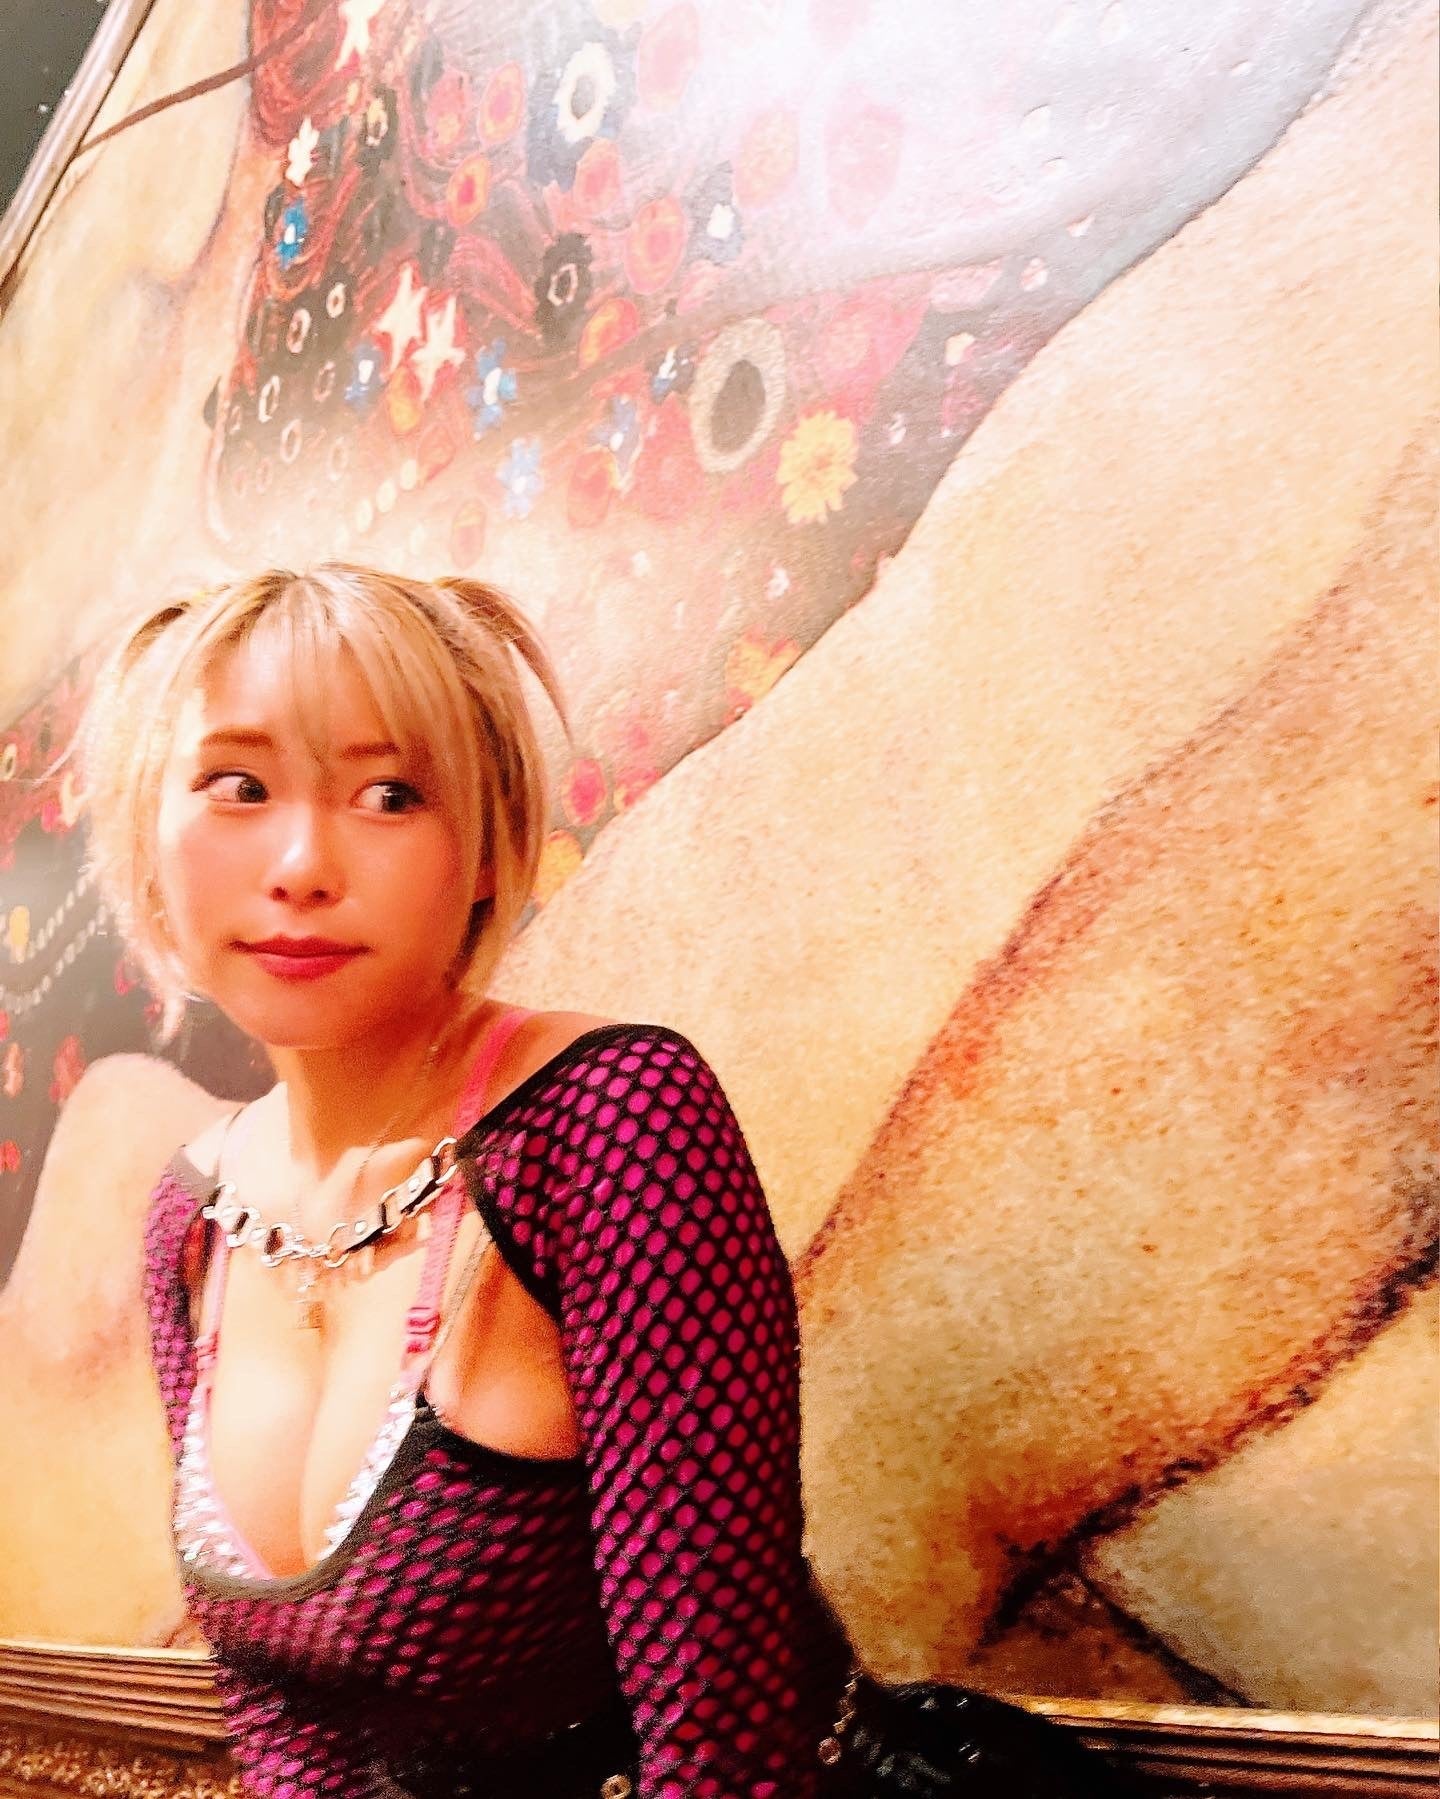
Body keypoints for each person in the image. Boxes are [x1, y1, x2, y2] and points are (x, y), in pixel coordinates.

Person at [80, 564, 1133, 1797]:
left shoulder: (610, 1119)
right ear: (150, 842)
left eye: (390, 793)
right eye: (239, 785)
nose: (304, 862)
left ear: (484, 852)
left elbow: (720, 1742)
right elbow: (282, 1717)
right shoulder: (192, 1218)